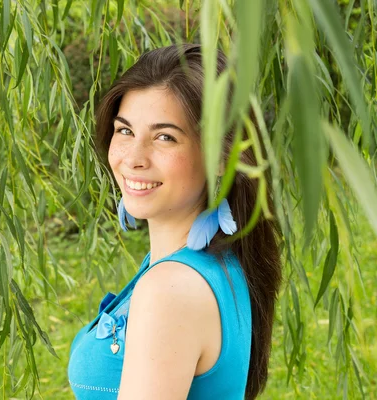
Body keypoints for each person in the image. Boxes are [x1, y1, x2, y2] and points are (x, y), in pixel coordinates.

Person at [67, 44, 282, 400]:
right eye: (124, 131)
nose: (133, 158)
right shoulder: (211, 263)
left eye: (165, 137)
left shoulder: (170, 291)